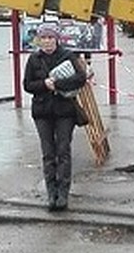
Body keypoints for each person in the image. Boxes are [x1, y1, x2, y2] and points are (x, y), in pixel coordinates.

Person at [22, 22, 88, 211]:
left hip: (64, 111)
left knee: (63, 151)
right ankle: (51, 193)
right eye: (44, 38)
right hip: (42, 112)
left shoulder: (67, 56)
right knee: (48, 153)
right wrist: (44, 84)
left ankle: (63, 193)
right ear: (39, 40)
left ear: (57, 39)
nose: (47, 41)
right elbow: (27, 85)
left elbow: (80, 78)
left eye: (51, 37)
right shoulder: (34, 59)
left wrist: (57, 84)